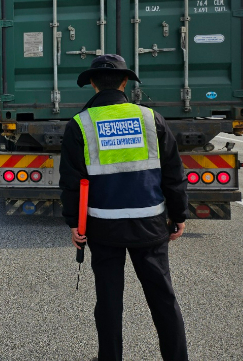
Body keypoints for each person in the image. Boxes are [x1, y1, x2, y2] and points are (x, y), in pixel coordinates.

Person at [59, 54, 189, 361]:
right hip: (150, 225)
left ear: (92, 84)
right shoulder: (150, 118)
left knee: (108, 301)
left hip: (103, 227)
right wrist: (179, 214)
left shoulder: (81, 124)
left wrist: (74, 224)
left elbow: (71, 181)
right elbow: (173, 172)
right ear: (125, 82)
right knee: (163, 299)